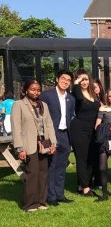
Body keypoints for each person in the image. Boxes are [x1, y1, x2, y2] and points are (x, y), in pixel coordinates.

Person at [11, 80, 57, 212]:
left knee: (43, 173)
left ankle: (41, 201)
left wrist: (53, 143)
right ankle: (29, 204)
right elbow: (16, 128)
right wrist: (19, 148)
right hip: (28, 144)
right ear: (25, 90)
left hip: (44, 143)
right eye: (32, 89)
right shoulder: (18, 105)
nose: (36, 92)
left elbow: (49, 125)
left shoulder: (44, 105)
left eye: (38, 89)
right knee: (33, 173)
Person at [40, 70, 76, 206]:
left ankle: (60, 194)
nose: (65, 81)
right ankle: (51, 196)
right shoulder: (47, 95)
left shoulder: (71, 98)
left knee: (62, 166)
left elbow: (70, 117)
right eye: (63, 78)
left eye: (68, 80)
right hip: (51, 135)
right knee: (52, 165)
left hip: (65, 134)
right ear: (57, 79)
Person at [71, 70, 101, 196]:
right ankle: (85, 188)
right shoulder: (76, 93)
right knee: (82, 158)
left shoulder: (93, 94)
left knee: (91, 158)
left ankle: (84, 183)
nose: (84, 82)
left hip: (92, 130)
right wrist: (76, 83)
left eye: (86, 79)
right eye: (81, 80)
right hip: (79, 129)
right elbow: (78, 96)